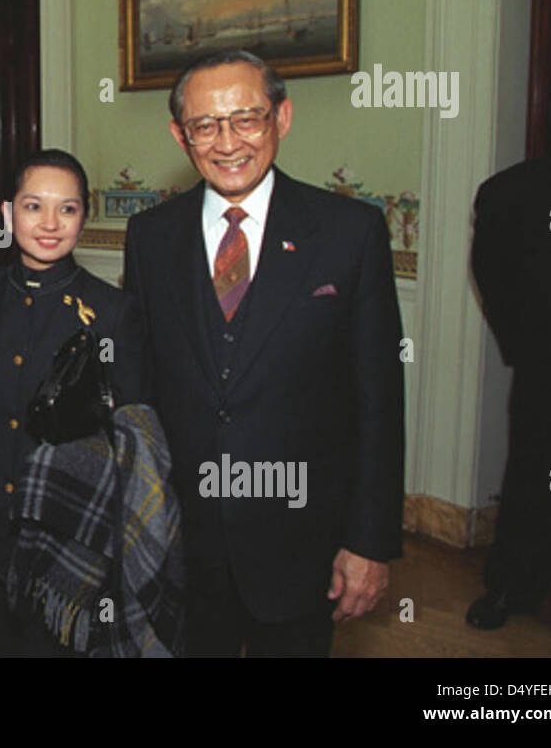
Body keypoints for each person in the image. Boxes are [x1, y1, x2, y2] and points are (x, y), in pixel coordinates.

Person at [123, 49, 405, 656]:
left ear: (283, 117)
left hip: (301, 539)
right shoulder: (151, 237)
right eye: (205, 125)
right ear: (180, 135)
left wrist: (369, 541)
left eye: (247, 118)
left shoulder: (350, 232)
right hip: (186, 543)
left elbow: (378, 399)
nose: (227, 142)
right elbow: (140, 387)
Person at [0, 149, 146, 655]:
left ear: (85, 215)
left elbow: (130, 437)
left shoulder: (112, 312)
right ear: (10, 211)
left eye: (68, 209)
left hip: (70, 532)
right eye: (34, 206)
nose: (50, 223)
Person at [467, 68, 551, 645]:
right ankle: (514, 586)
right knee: (537, 480)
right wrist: (531, 350)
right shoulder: (512, 193)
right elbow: (493, 277)